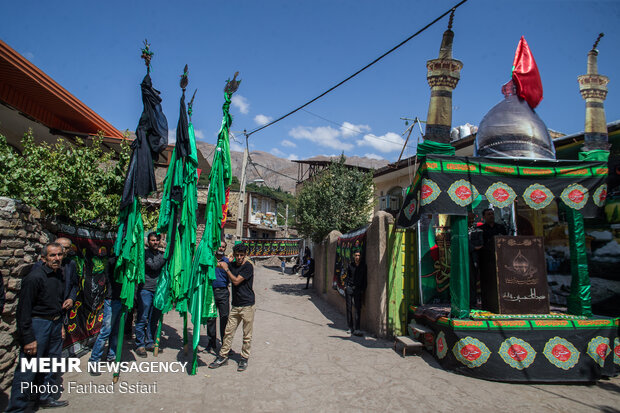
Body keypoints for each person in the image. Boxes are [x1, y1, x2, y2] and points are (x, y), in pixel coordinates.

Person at [6, 243, 69, 411]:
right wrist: (28, 338)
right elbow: (23, 310)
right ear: (43, 258)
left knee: (50, 364)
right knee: (28, 369)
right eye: (52, 256)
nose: (57, 259)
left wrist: (60, 324)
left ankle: (44, 397)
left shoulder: (59, 275)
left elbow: (57, 302)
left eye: (59, 255)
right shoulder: (34, 278)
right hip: (39, 324)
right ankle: (18, 408)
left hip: (55, 323)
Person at [209, 243, 255, 372]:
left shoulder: (248, 267)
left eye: (242, 255)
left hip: (247, 305)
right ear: (234, 255)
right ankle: (223, 356)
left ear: (245, 255)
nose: (239, 257)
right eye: (237, 255)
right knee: (228, 332)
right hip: (235, 305)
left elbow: (235, 281)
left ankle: (244, 358)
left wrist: (227, 269)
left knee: (247, 334)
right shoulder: (232, 264)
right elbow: (215, 264)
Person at [88, 248, 122, 374]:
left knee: (116, 331)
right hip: (112, 299)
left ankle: (112, 356)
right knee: (106, 331)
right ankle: (94, 360)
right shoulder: (113, 261)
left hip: (123, 300)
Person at [135, 232, 164, 357]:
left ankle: (150, 341)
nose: (155, 242)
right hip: (145, 289)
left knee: (154, 318)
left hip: (158, 290)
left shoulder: (161, 254)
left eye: (157, 240)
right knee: (142, 316)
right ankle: (139, 344)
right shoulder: (145, 254)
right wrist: (166, 256)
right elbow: (153, 266)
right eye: (153, 240)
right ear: (148, 241)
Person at [206, 241, 231, 353]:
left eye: (223, 247)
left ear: (225, 249)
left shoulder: (228, 262)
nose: (221, 248)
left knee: (224, 318)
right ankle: (211, 342)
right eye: (219, 246)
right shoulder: (210, 260)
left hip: (223, 292)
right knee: (211, 318)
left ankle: (225, 345)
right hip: (210, 292)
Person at [344, 250, 367, 337]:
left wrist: (363, 289)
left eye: (358, 255)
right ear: (354, 256)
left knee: (357, 308)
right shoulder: (350, 265)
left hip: (358, 289)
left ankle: (357, 328)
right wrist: (346, 286)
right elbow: (347, 276)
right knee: (349, 308)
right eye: (356, 255)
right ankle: (350, 327)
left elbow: (365, 279)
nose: (357, 257)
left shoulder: (363, 266)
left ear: (360, 256)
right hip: (349, 288)